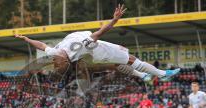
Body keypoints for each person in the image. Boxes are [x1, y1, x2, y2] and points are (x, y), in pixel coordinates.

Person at [15, 4, 180, 82]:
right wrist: (114, 20)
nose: (55, 57)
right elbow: (100, 33)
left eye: (55, 58)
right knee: (130, 59)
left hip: (91, 56)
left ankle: (143, 75)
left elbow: (42, 46)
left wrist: (26, 39)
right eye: (58, 59)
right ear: (65, 60)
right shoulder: (79, 45)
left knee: (118, 64)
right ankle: (162, 74)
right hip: (98, 50)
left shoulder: (56, 52)